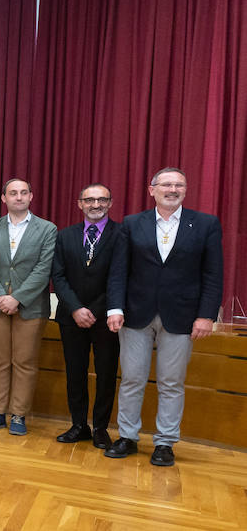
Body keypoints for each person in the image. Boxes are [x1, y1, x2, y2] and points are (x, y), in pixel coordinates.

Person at [106, 168, 223, 467]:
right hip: (135, 314)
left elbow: (213, 274)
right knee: (132, 379)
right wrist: (115, 307)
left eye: (179, 184)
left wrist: (206, 315)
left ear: (185, 189)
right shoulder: (133, 224)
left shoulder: (206, 224)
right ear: (152, 189)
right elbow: (119, 270)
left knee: (172, 382)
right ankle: (128, 437)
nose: (172, 189)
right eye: (166, 184)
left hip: (183, 316)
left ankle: (165, 442)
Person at [0, 178, 57, 435]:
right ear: (4, 199)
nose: (18, 197)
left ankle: (19, 416)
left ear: (31, 196)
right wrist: (0, 295)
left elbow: (44, 268)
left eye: (23, 193)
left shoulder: (47, 229)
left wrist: (17, 298)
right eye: (13, 193)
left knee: (25, 362)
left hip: (30, 307)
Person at [50, 184, 123, 448]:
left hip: (107, 319)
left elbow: (119, 276)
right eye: (90, 200)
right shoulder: (64, 236)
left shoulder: (121, 234)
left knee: (106, 374)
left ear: (110, 203)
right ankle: (79, 425)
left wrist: (94, 310)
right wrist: (76, 308)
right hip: (71, 316)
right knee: (75, 373)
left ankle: (101, 428)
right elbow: (57, 276)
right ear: (79, 203)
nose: (96, 204)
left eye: (102, 199)